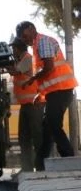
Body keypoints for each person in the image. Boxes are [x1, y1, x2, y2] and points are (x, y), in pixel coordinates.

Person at [16, 21, 77, 170]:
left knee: (53, 125)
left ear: (31, 29)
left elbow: (49, 67)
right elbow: (47, 78)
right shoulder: (37, 45)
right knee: (48, 128)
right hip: (56, 92)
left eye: (24, 35)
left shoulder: (42, 42)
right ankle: (41, 164)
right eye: (22, 38)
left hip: (61, 90)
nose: (24, 40)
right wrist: (40, 94)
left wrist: (32, 79)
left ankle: (69, 158)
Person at [9, 38, 44, 172]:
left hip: (34, 104)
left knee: (37, 137)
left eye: (13, 48)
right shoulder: (21, 60)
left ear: (18, 48)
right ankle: (27, 169)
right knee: (24, 138)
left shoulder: (28, 59)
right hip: (26, 105)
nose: (12, 51)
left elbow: (15, 72)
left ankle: (41, 167)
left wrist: (3, 63)